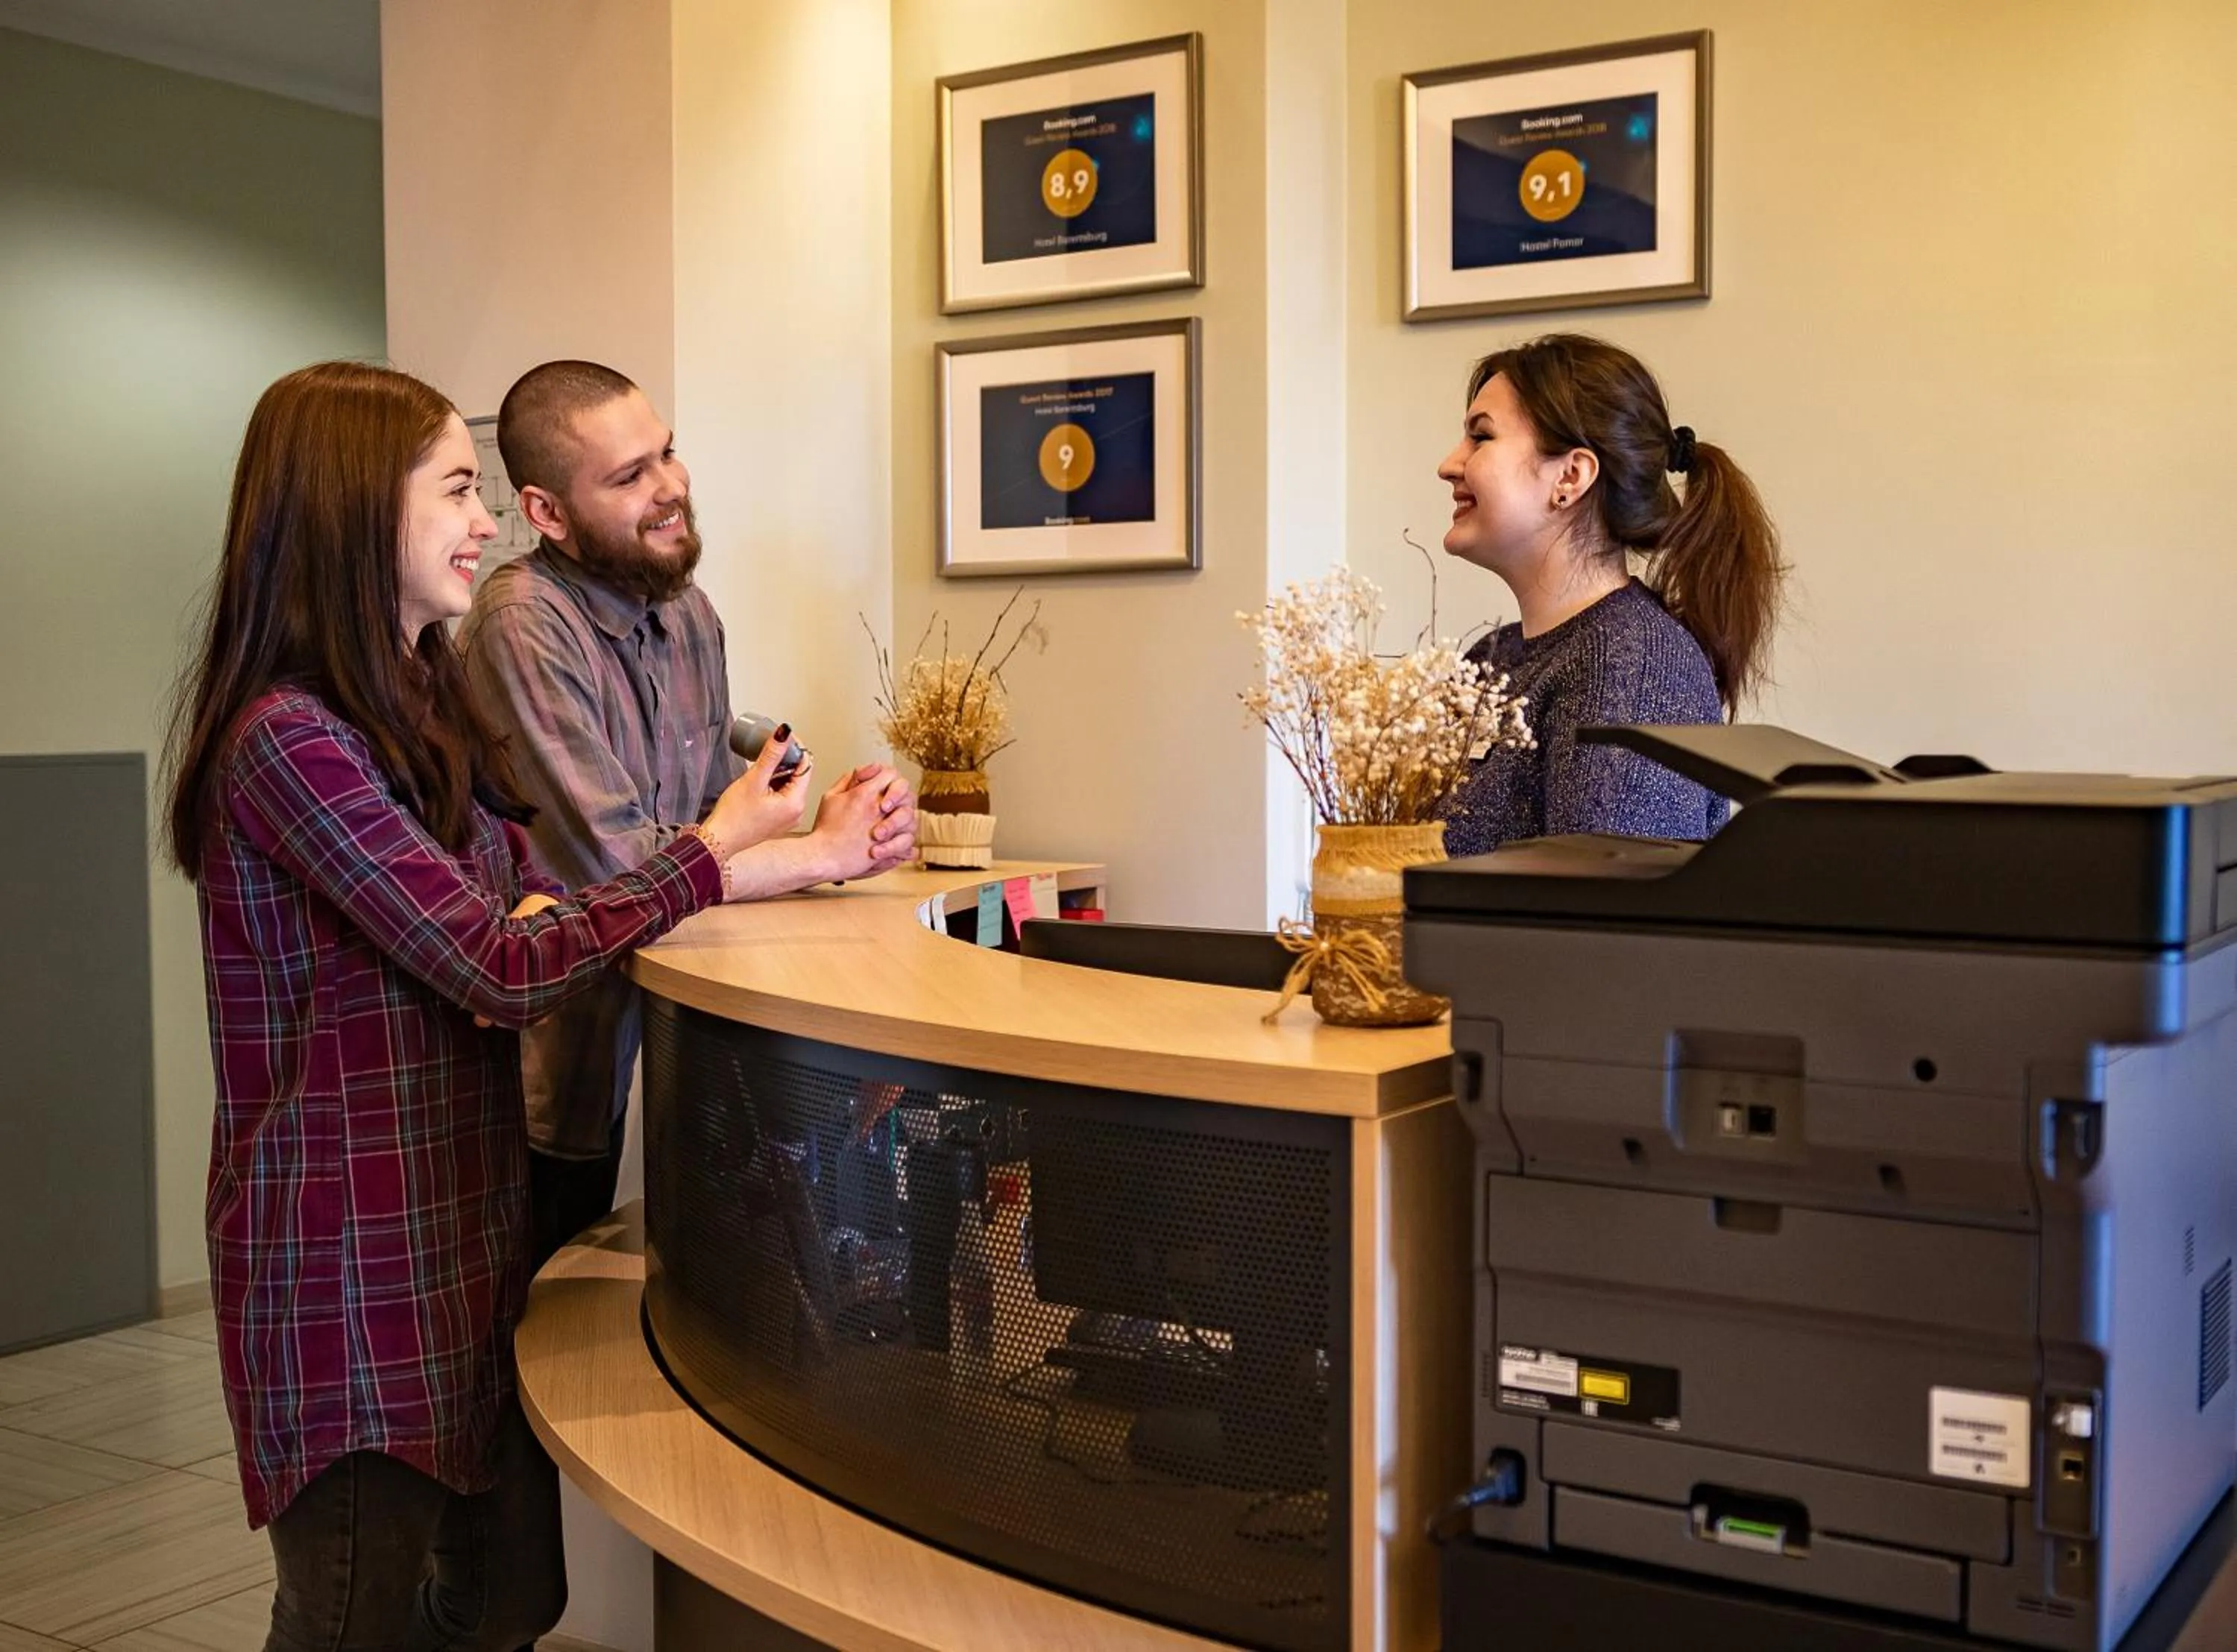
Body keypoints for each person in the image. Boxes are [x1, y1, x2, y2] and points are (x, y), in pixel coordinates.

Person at [162, 360, 867, 1651]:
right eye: (454, 491)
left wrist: (532, 931)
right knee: (350, 1618)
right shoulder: (288, 741)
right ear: (354, 513)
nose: (483, 524)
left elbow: (530, 907)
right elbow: (501, 959)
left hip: (459, 1247)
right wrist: (702, 854)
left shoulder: (418, 702)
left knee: (510, 1596)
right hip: (352, 1273)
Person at [461, 359, 916, 1270]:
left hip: (679, 1020)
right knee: (532, 1296)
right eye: (629, 477)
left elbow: (715, 828)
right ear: (546, 513)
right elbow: (623, 867)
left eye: (666, 454)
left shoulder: (690, 614)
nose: (670, 488)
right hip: (545, 1053)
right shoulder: (523, 623)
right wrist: (821, 852)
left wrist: (813, 820)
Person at [1434, 332, 1784, 857]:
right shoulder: (1489, 659)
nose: (1449, 464)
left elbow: (1610, 922)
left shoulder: (1634, 663)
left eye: (1481, 438)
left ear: (1571, 476)